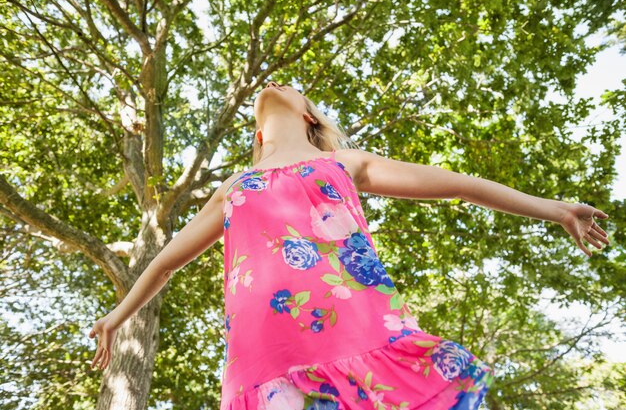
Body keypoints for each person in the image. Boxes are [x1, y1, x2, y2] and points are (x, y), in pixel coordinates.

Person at [88, 81, 611, 409]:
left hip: (355, 338)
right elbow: (163, 263)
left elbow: (459, 184)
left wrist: (557, 208)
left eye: (292, 86)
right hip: (263, 362)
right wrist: (117, 316)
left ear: (309, 113)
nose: (275, 84)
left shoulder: (344, 163)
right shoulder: (234, 186)